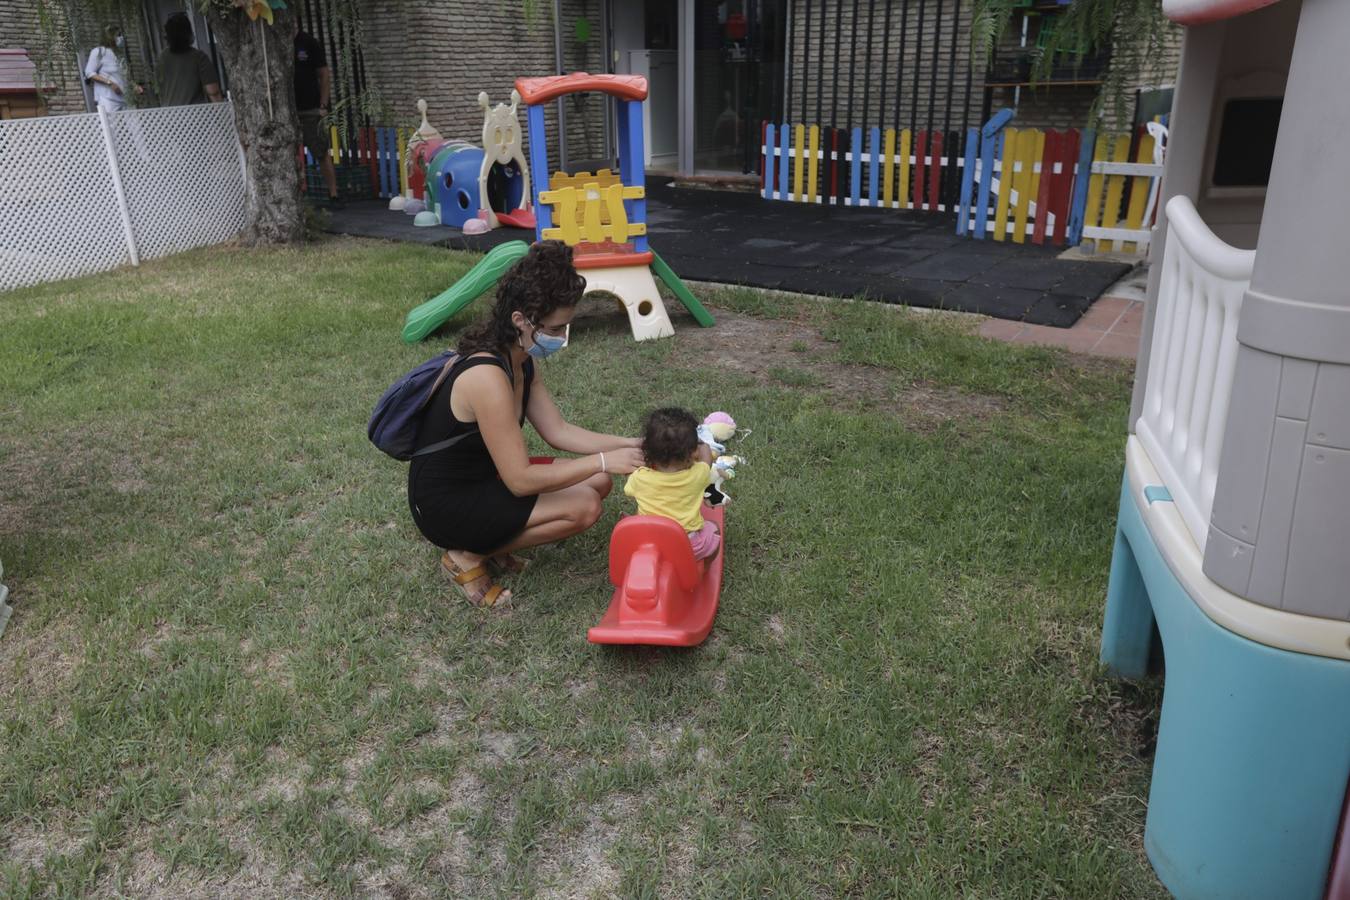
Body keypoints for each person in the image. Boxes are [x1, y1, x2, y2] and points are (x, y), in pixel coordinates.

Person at [407, 241, 645, 607]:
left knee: (597, 482)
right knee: (585, 507)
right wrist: (603, 460)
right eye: (556, 327)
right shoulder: (487, 375)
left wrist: (628, 444)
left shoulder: (520, 358)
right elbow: (519, 481)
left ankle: (492, 538)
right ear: (521, 320)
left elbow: (558, 431)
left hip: (484, 480)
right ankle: (467, 556)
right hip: (445, 503)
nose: (561, 338)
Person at [623, 408, 721, 561]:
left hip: (649, 543)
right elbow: (707, 460)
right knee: (714, 529)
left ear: (646, 451)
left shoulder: (639, 477)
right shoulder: (698, 474)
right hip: (688, 545)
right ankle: (703, 567)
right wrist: (704, 446)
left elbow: (629, 490)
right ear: (693, 452)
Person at [293, 22, 339, 204]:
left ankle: (334, 194)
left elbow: (324, 74)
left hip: (311, 108)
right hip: (288, 109)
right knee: (289, 155)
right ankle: (297, 196)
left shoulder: (309, 42)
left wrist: (323, 104)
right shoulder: (276, 43)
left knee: (321, 152)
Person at [156, 13, 222, 106]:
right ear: (189, 33)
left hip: (169, 117)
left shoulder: (162, 58)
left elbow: (159, 88)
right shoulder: (199, 57)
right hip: (195, 116)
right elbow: (213, 92)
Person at [84, 25, 142, 112]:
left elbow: (124, 74)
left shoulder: (119, 54)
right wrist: (110, 83)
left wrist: (134, 85)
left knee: (135, 125)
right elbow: (89, 73)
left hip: (125, 97)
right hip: (108, 98)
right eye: (118, 35)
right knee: (110, 125)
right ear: (110, 36)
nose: (121, 38)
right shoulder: (99, 51)